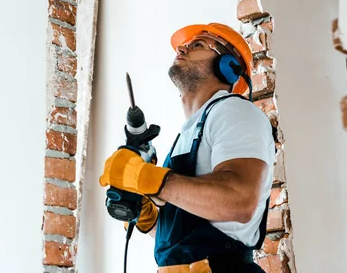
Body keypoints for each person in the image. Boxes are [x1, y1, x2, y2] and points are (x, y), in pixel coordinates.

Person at [99, 23, 276, 273]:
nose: (182, 48)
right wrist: (148, 217)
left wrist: (153, 180)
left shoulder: (235, 112)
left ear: (227, 66)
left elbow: (239, 200)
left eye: (198, 45)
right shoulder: (189, 133)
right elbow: (185, 236)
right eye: (185, 45)